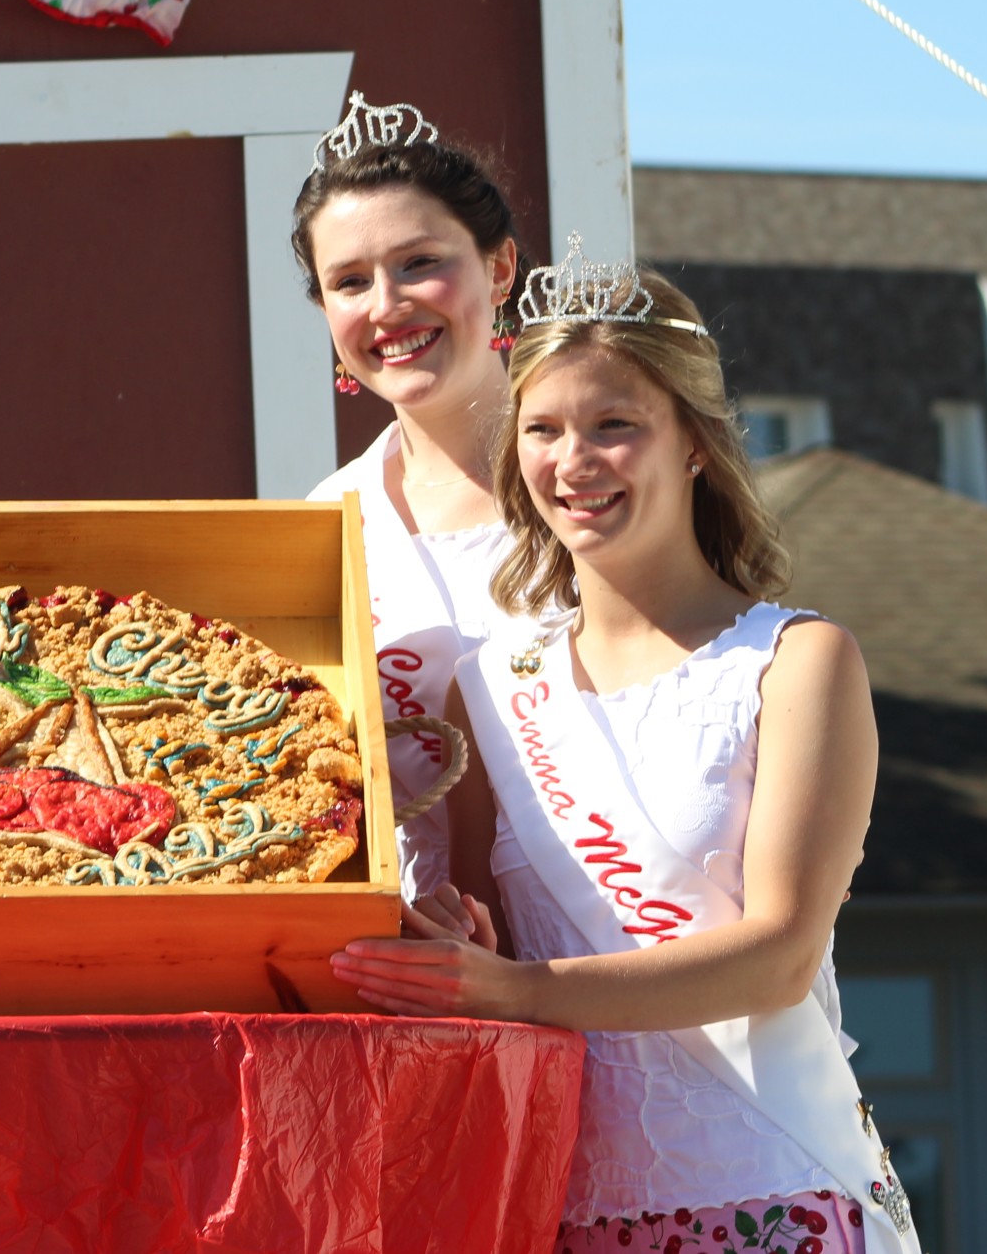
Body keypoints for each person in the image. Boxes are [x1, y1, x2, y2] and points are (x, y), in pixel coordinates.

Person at [328, 247, 916, 1254]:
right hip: (564, 1205)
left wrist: (516, 989)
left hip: (772, 1195)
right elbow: (492, 951)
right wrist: (456, 939)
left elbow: (776, 957)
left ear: (691, 443)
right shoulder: (487, 688)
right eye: (544, 430)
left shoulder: (792, 663)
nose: (574, 462)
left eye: (614, 426)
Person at [295, 92, 519, 912]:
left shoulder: (600, 482)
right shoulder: (332, 518)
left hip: (634, 957)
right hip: (433, 965)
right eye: (350, 281)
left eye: (420, 262)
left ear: (499, 268)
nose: (387, 304)